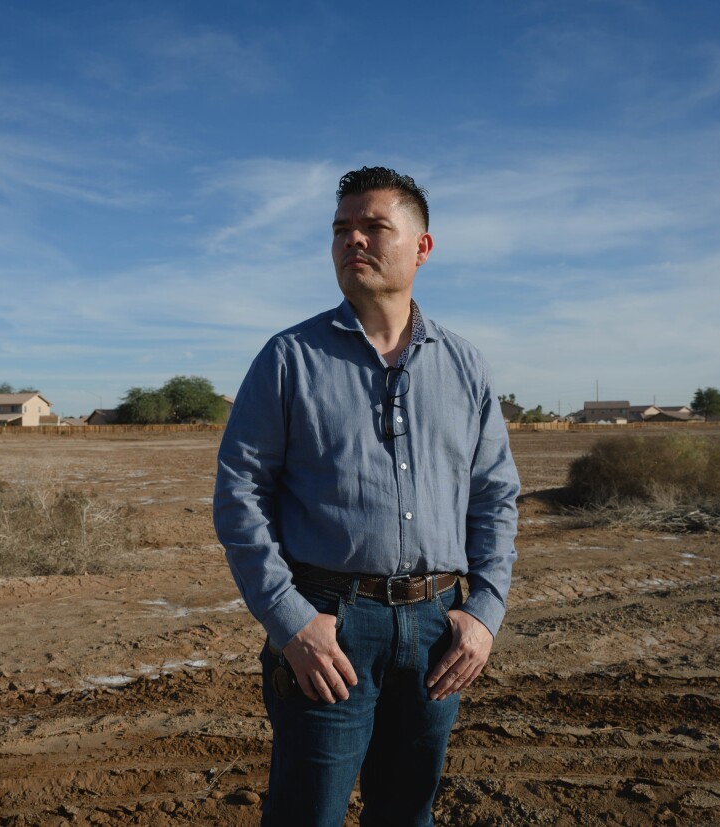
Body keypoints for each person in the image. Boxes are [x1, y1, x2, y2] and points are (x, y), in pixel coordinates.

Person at [213, 166, 520, 826]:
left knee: (408, 813)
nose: (353, 240)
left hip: (439, 629)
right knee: (307, 814)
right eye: (341, 230)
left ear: (422, 247)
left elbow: (494, 495)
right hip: (329, 626)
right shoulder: (289, 357)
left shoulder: (464, 365)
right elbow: (240, 494)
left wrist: (485, 610)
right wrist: (290, 620)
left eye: (374, 227)